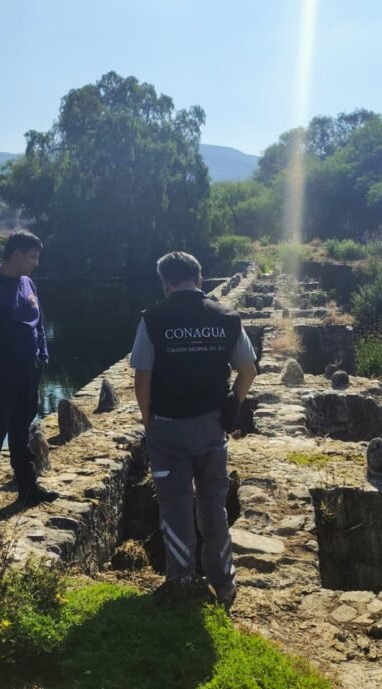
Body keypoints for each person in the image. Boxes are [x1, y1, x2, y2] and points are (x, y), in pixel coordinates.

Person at [130, 251, 257, 608]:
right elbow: (248, 370)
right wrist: (233, 403)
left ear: (165, 283)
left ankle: (182, 580)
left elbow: (142, 377)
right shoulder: (227, 318)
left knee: (175, 506)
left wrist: (148, 420)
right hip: (212, 427)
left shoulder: (153, 319)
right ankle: (224, 583)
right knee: (213, 504)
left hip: (168, 427)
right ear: (200, 279)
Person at [0, 230, 59, 532]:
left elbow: (38, 324)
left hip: (28, 374)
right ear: (16, 254)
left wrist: (42, 355)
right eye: (32, 257)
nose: (35, 263)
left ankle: (28, 488)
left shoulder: (28, 284)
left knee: (21, 433)